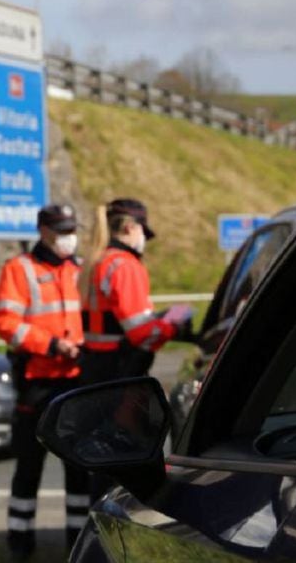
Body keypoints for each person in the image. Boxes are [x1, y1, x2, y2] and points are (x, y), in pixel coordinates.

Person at [0, 204, 90, 560]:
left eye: (71, 229)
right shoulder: (20, 269)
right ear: (43, 231)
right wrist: (51, 345)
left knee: (79, 468)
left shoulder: (80, 269)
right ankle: (20, 544)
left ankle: (78, 543)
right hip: (36, 383)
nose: (68, 237)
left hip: (75, 381)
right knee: (29, 466)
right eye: (61, 230)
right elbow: (7, 323)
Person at [80, 199, 187, 502]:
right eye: (143, 231)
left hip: (97, 370)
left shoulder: (96, 261)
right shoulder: (125, 265)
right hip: (124, 374)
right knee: (134, 462)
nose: (144, 240)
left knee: (106, 462)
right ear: (130, 227)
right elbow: (142, 333)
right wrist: (175, 324)